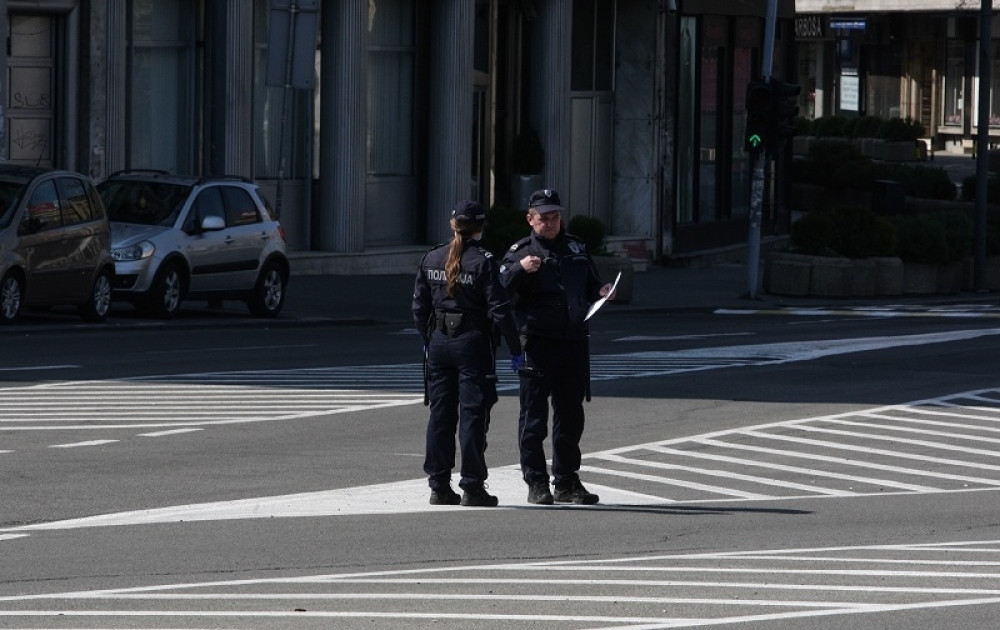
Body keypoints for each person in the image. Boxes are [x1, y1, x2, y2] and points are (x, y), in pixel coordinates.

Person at [499, 189, 615, 505]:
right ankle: (536, 482)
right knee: (533, 417)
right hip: (537, 343)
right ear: (530, 219)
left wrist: (603, 291)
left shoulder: (575, 246)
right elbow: (499, 291)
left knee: (570, 415)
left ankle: (566, 481)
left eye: (555, 217)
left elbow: (592, 283)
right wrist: (521, 268)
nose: (551, 223)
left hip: (573, 341)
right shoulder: (520, 251)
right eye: (544, 218)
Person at [412, 200, 522, 507]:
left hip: (439, 344)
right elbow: (500, 310)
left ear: (452, 225)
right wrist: (516, 350)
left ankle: (438, 485)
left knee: (440, 415)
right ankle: (473, 486)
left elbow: (418, 308)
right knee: (473, 414)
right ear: (481, 226)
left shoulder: (431, 257)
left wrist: (428, 338)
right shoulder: (485, 261)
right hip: (473, 343)